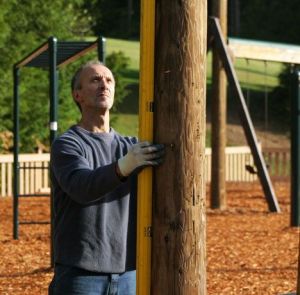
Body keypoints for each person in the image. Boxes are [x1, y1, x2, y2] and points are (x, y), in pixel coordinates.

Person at [48, 60, 165, 295]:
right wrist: (125, 165)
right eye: (95, 80)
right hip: (79, 276)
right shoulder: (68, 144)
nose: (104, 85)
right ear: (77, 95)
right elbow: (82, 187)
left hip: (128, 276)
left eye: (109, 80)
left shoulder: (131, 147)